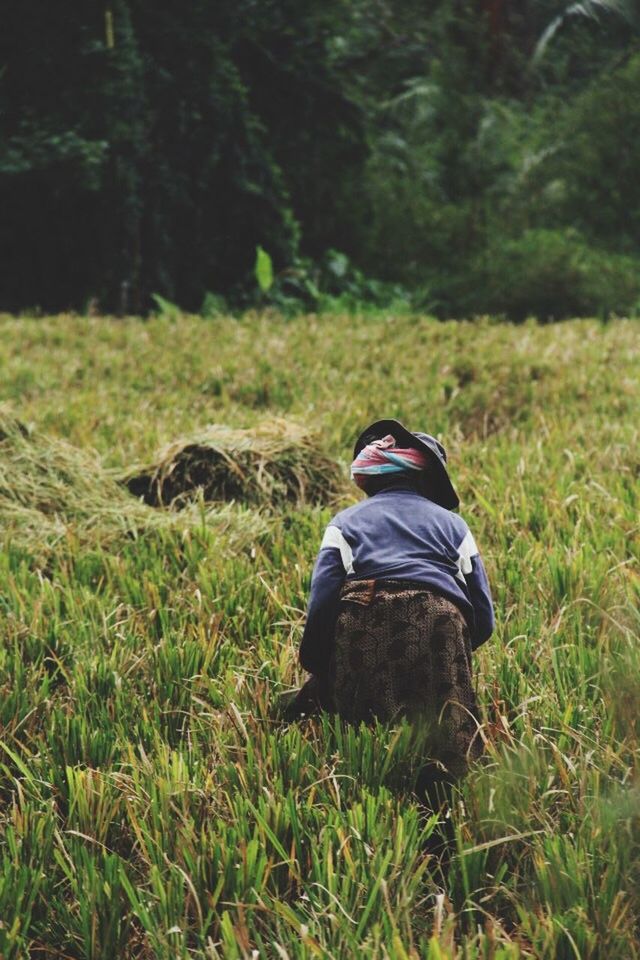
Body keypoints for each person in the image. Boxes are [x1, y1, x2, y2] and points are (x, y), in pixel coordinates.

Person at [293, 418, 494, 844]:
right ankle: (446, 832)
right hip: (440, 621)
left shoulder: (344, 523)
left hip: (361, 619)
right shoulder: (454, 527)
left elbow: (322, 602)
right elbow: (483, 614)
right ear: (427, 480)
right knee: (445, 742)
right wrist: (453, 649)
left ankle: (368, 828)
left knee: (363, 738)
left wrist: (318, 665)